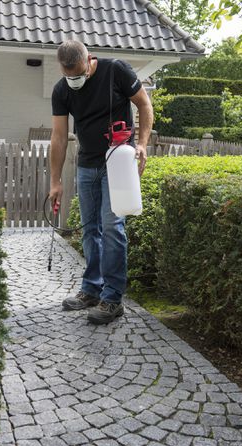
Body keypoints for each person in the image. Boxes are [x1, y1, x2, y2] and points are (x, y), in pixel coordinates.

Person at [49, 40, 153, 325]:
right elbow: (59, 136)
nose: (74, 80)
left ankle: (113, 298)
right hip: (87, 164)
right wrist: (55, 181)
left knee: (111, 227)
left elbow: (144, 104)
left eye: (78, 74)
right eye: (68, 76)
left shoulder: (116, 71)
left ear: (89, 61)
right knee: (89, 228)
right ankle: (92, 289)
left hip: (117, 162)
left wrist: (142, 144)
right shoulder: (61, 90)